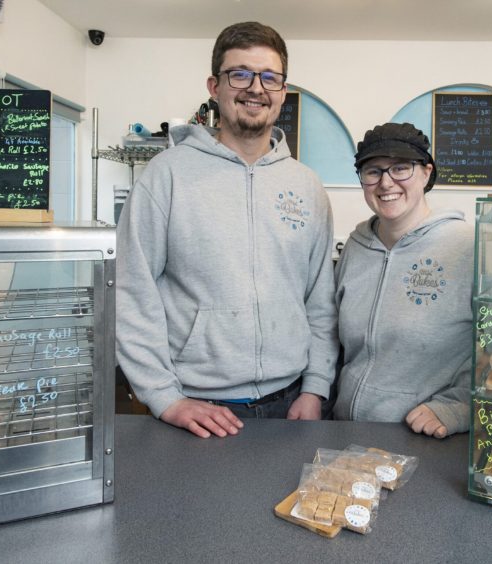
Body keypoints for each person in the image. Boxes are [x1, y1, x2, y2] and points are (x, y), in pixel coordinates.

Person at [116, 22, 337, 439]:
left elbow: (320, 299)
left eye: (269, 77)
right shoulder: (167, 175)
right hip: (196, 408)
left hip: (292, 405)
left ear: (282, 92)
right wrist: (164, 397)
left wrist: (316, 386)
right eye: (240, 74)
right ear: (215, 86)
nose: (256, 88)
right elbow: (131, 291)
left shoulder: (307, 185)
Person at [333, 122, 475, 438]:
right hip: (344, 431)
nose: (386, 182)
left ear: (426, 173)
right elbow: (335, 341)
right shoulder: (355, 248)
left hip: (426, 436)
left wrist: (459, 406)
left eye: (401, 168)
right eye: (373, 171)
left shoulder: (471, 248)